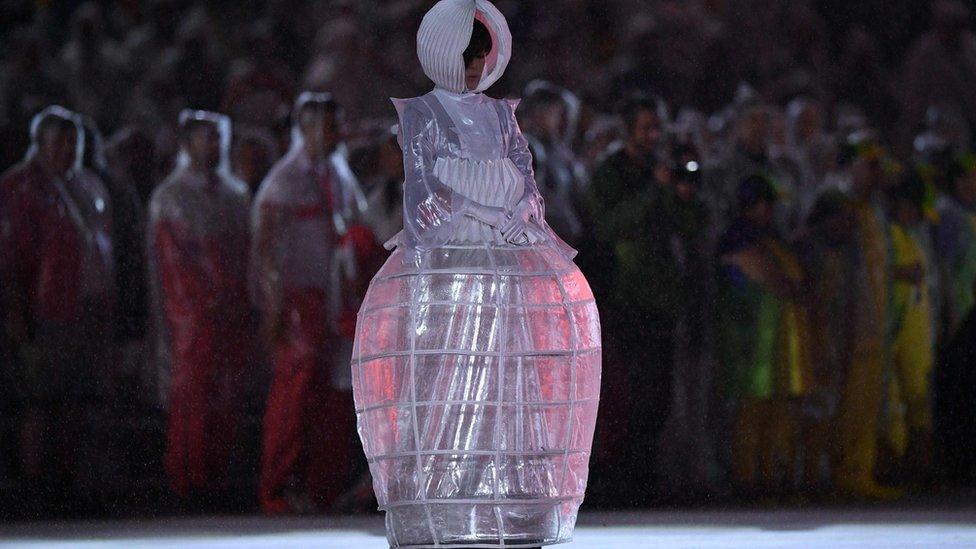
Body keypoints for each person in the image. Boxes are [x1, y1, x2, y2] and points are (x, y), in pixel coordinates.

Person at [351, 1, 601, 546]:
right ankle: (444, 501)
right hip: (452, 256)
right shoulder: (421, 113)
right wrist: (481, 210)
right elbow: (422, 189)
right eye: (464, 57)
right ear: (441, 52)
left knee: (512, 375)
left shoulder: (500, 113)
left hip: (510, 255)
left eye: (480, 57)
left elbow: (525, 175)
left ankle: (515, 502)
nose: (473, 68)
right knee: (450, 371)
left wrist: (521, 213)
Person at [251, 92, 375, 514]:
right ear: (304, 129)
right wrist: (273, 306)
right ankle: (279, 487)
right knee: (294, 397)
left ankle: (320, 486)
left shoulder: (338, 174)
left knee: (331, 398)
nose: (336, 135)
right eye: (327, 125)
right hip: (297, 302)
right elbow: (265, 253)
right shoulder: (284, 182)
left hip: (333, 300)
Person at [585, 94, 699, 504]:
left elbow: (686, 227)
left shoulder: (660, 168)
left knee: (660, 395)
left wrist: (683, 195)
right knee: (630, 394)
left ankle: (647, 477)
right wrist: (654, 190)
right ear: (628, 130)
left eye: (657, 128)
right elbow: (609, 226)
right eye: (647, 127)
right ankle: (622, 481)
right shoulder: (610, 173)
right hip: (626, 298)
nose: (654, 136)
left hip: (661, 299)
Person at [0, 106, 115, 499]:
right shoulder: (22, 187)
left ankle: (68, 481)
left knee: (76, 398)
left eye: (74, 142)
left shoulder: (86, 184)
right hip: (45, 309)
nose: (69, 149)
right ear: (41, 145)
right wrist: (16, 310)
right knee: (43, 398)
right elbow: (12, 255)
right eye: (61, 142)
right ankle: (37, 484)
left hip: (86, 306)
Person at [147, 110, 253, 501]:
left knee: (226, 397)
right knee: (192, 397)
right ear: (187, 143)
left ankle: (216, 478)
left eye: (218, 138)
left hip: (230, 314)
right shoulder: (170, 197)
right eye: (205, 138)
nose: (214, 146)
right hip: (192, 319)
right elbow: (173, 266)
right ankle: (187, 481)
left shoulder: (235, 194)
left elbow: (246, 254)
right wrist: (206, 302)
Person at [716, 174, 812, 497]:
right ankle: (749, 481)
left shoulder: (762, 235)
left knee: (772, 409)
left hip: (769, 344)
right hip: (749, 343)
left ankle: (769, 477)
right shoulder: (740, 238)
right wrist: (794, 289)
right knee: (752, 410)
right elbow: (768, 276)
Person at [881, 175, 934, 483]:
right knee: (890, 401)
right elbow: (874, 271)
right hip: (891, 326)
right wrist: (900, 273)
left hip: (915, 328)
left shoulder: (913, 235)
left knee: (919, 398)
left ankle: (918, 470)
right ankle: (892, 467)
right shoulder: (885, 233)